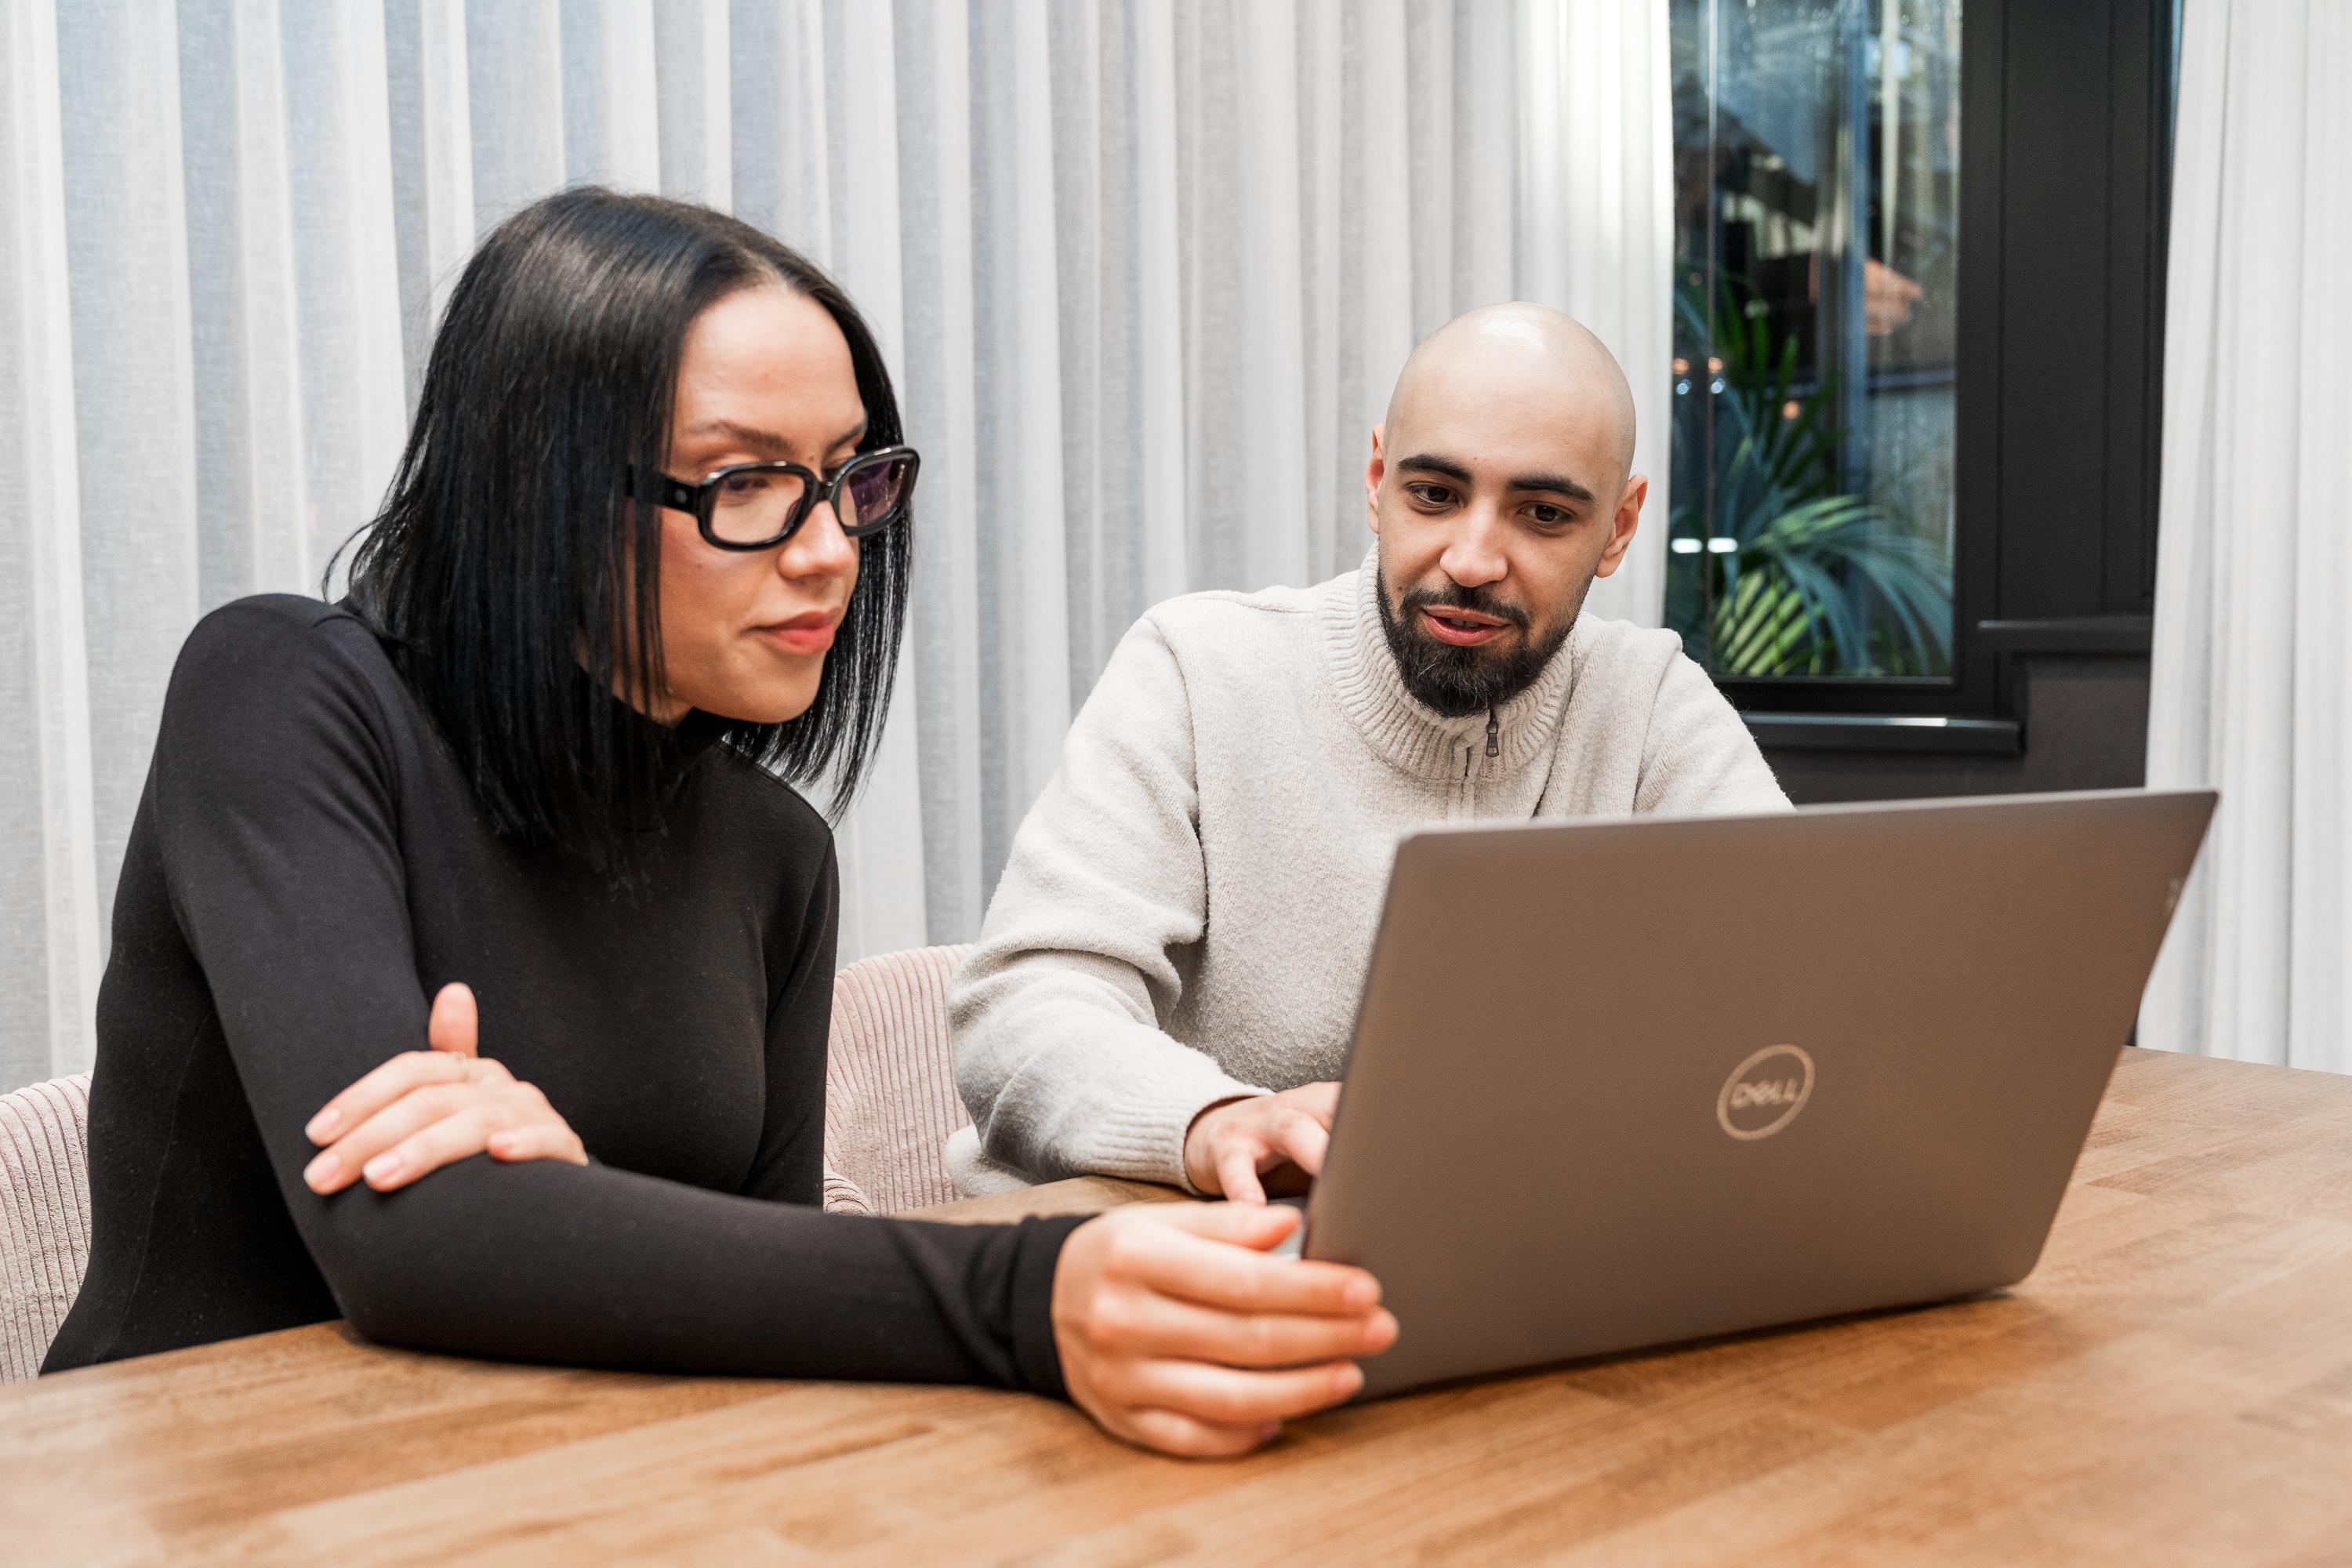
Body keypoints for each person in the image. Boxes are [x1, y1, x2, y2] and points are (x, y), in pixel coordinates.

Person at [43, 189, 1394, 1460]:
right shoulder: (281, 693)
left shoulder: (774, 856)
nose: (831, 549)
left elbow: (770, 1307)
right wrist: (1025, 1291)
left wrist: (559, 1199)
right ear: (546, 491)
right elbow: (413, 1247)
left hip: (550, 1485)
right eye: (744, 483)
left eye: (848, 476)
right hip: (185, 1489)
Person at [949, 304, 1789, 1203]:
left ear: (1618, 529)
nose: (1472, 559)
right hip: (1187, 1233)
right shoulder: (1195, 668)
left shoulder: (1653, 703)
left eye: (1543, 514)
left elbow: (1798, 998)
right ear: (1379, 481)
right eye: (1434, 495)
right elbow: (1024, 1009)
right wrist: (1214, 1120)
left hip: (1521, 1244)